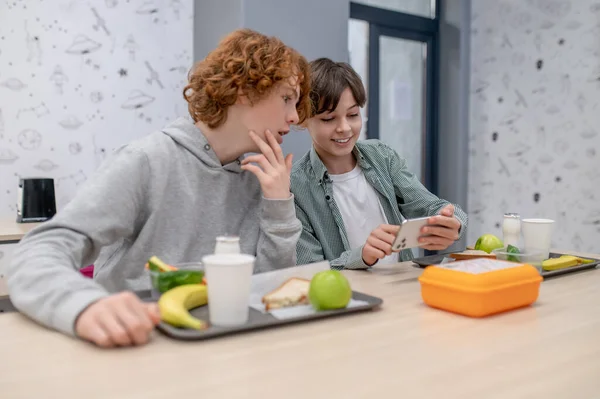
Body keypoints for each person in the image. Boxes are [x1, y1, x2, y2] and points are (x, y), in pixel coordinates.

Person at [7, 29, 311, 348]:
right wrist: (84, 305)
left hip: (224, 351)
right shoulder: (147, 161)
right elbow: (38, 250)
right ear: (245, 90)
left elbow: (267, 292)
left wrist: (279, 205)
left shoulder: (258, 180)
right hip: (133, 348)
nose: (294, 116)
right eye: (287, 99)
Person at [291, 58, 468, 269]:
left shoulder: (381, 156)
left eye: (353, 115)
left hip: (401, 288)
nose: (344, 128)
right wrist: (362, 256)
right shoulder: (295, 187)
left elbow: (429, 206)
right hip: (348, 299)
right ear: (301, 118)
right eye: (329, 119)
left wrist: (452, 221)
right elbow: (310, 270)